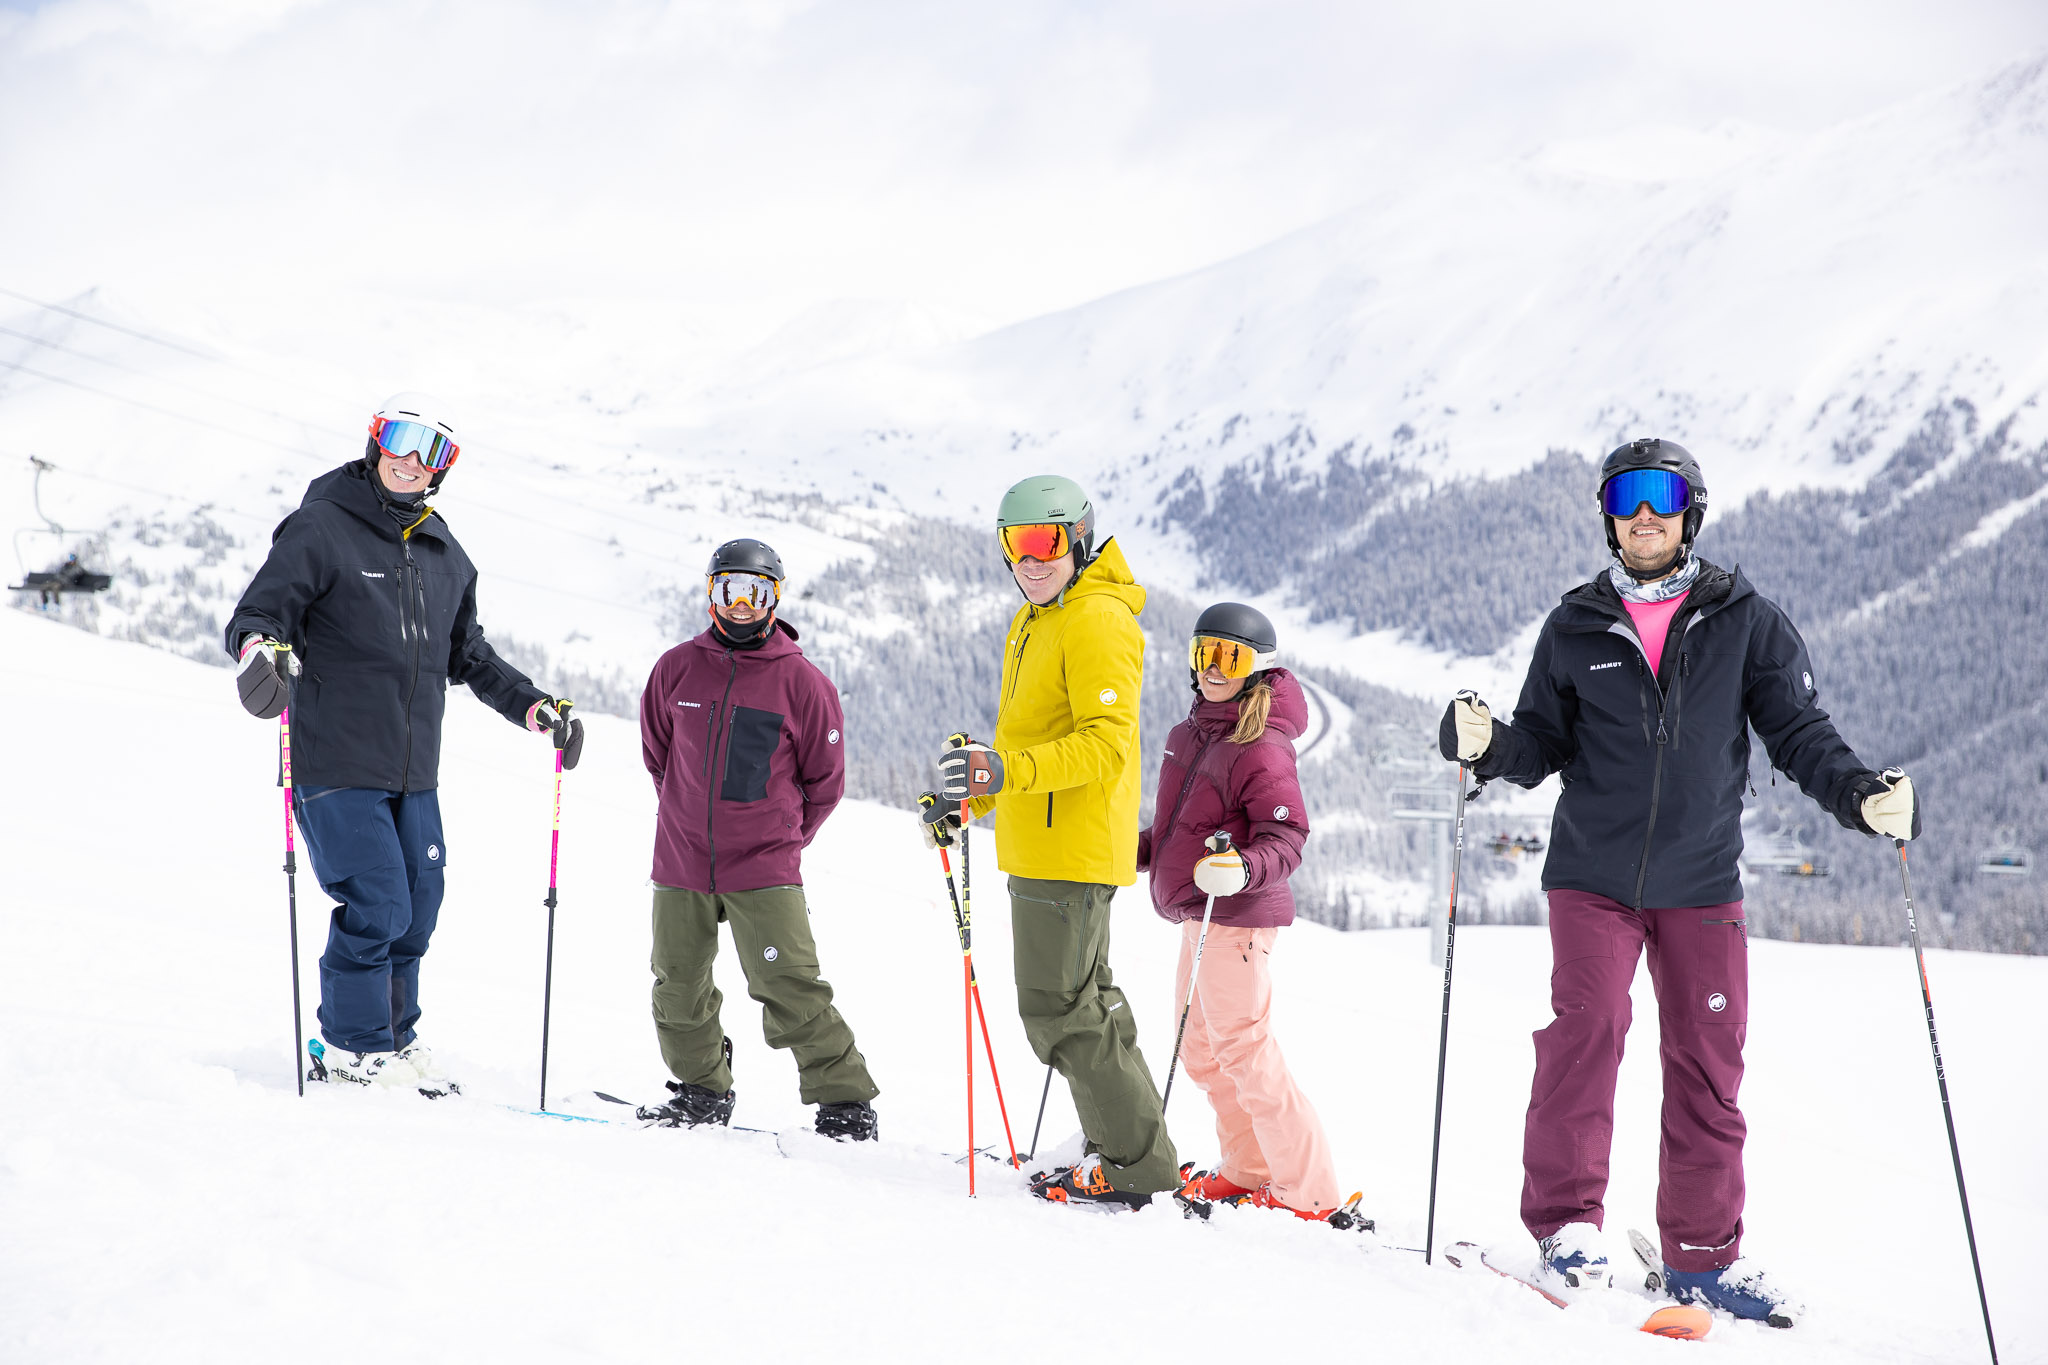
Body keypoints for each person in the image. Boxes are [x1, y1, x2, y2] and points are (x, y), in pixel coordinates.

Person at [1441, 437, 1919, 1326]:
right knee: (1588, 1029)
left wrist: (1861, 794)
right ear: (1608, 517)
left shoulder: (1745, 620)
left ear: (1689, 511)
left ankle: (1702, 1255)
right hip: (1593, 874)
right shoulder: (1575, 626)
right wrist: (1488, 744)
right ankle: (1566, 1229)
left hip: (1702, 881)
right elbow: (1540, 744)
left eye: (1661, 495)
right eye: (1625, 497)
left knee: (1708, 1058)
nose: (1643, 514)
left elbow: (1799, 732)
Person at [228, 393, 583, 1094]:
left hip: (414, 769)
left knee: (418, 904)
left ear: (443, 468)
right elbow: (260, 612)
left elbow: (468, 654)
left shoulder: (445, 552)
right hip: (335, 758)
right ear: (375, 443)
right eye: (401, 439)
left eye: (433, 450)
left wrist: (535, 707)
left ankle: (392, 1037)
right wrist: (259, 651)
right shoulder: (322, 526)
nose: (413, 460)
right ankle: (351, 1048)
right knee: (378, 901)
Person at [923, 475, 1179, 1209]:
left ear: (1079, 539)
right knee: (1087, 1004)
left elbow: (1104, 745)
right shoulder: (1038, 617)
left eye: (1045, 541)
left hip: (1069, 850)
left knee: (1059, 1010)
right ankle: (1132, 1150)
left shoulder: (1095, 619)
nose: (1030, 560)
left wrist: (1004, 772)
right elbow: (1026, 741)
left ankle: (1136, 1167)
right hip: (1046, 845)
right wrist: (975, 793)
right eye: (1016, 544)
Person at [635, 538, 879, 1141]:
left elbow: (824, 785)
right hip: (682, 860)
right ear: (711, 594)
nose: (741, 604)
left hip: (764, 866)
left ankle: (846, 1105)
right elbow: (659, 757)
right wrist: (688, 818)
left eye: (755, 592)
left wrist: (781, 841)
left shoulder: (803, 683)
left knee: (788, 984)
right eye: (729, 590)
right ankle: (702, 1090)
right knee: (678, 984)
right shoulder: (676, 668)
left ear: (775, 598)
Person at [1139, 603, 1350, 1224]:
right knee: (1201, 1050)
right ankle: (1249, 1168)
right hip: (1198, 912)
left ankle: (1309, 1192)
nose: (1213, 668)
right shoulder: (1192, 733)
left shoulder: (1261, 745)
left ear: (1256, 667)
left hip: (1238, 917)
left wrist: (1243, 867)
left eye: (1229, 657)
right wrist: (1138, 849)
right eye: (1203, 652)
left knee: (1244, 1049)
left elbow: (1288, 837)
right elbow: (1181, 828)